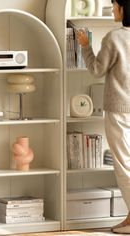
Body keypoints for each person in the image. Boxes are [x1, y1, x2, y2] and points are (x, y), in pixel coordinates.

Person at [77, 0, 130, 234]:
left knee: (124, 165)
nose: (112, 9)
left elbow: (97, 70)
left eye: (114, 4)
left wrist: (85, 46)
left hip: (119, 110)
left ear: (124, 8)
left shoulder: (114, 38)